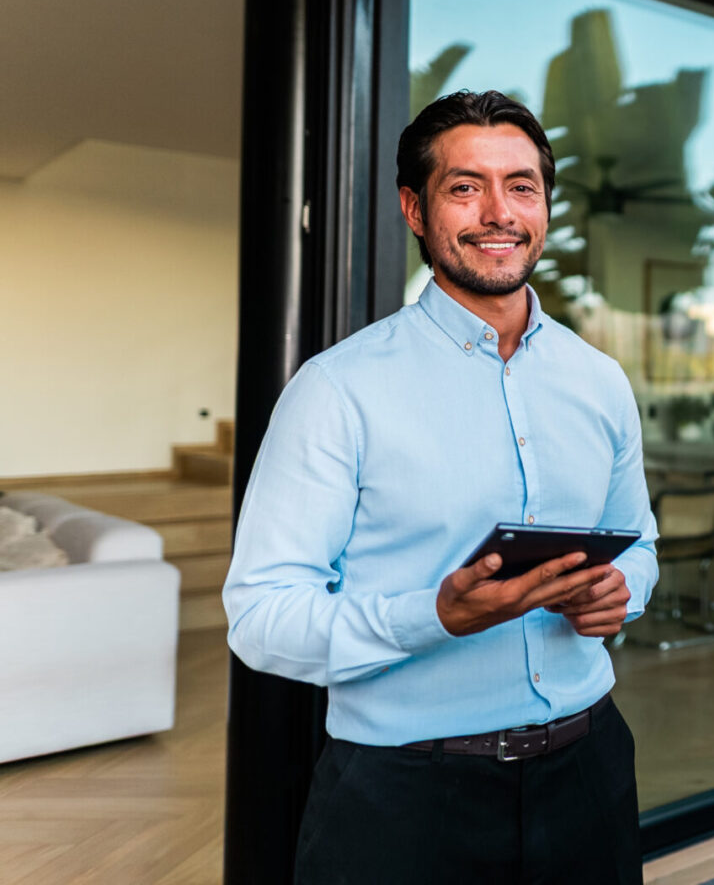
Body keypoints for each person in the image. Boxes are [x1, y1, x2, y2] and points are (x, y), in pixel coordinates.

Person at [223, 90, 658, 884]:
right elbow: (261, 617)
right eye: (465, 187)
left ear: (545, 207)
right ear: (414, 209)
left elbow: (640, 541)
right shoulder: (337, 389)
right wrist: (436, 616)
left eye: (521, 186)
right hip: (402, 800)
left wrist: (620, 592)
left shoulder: (600, 381)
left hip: (589, 773)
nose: (499, 212)